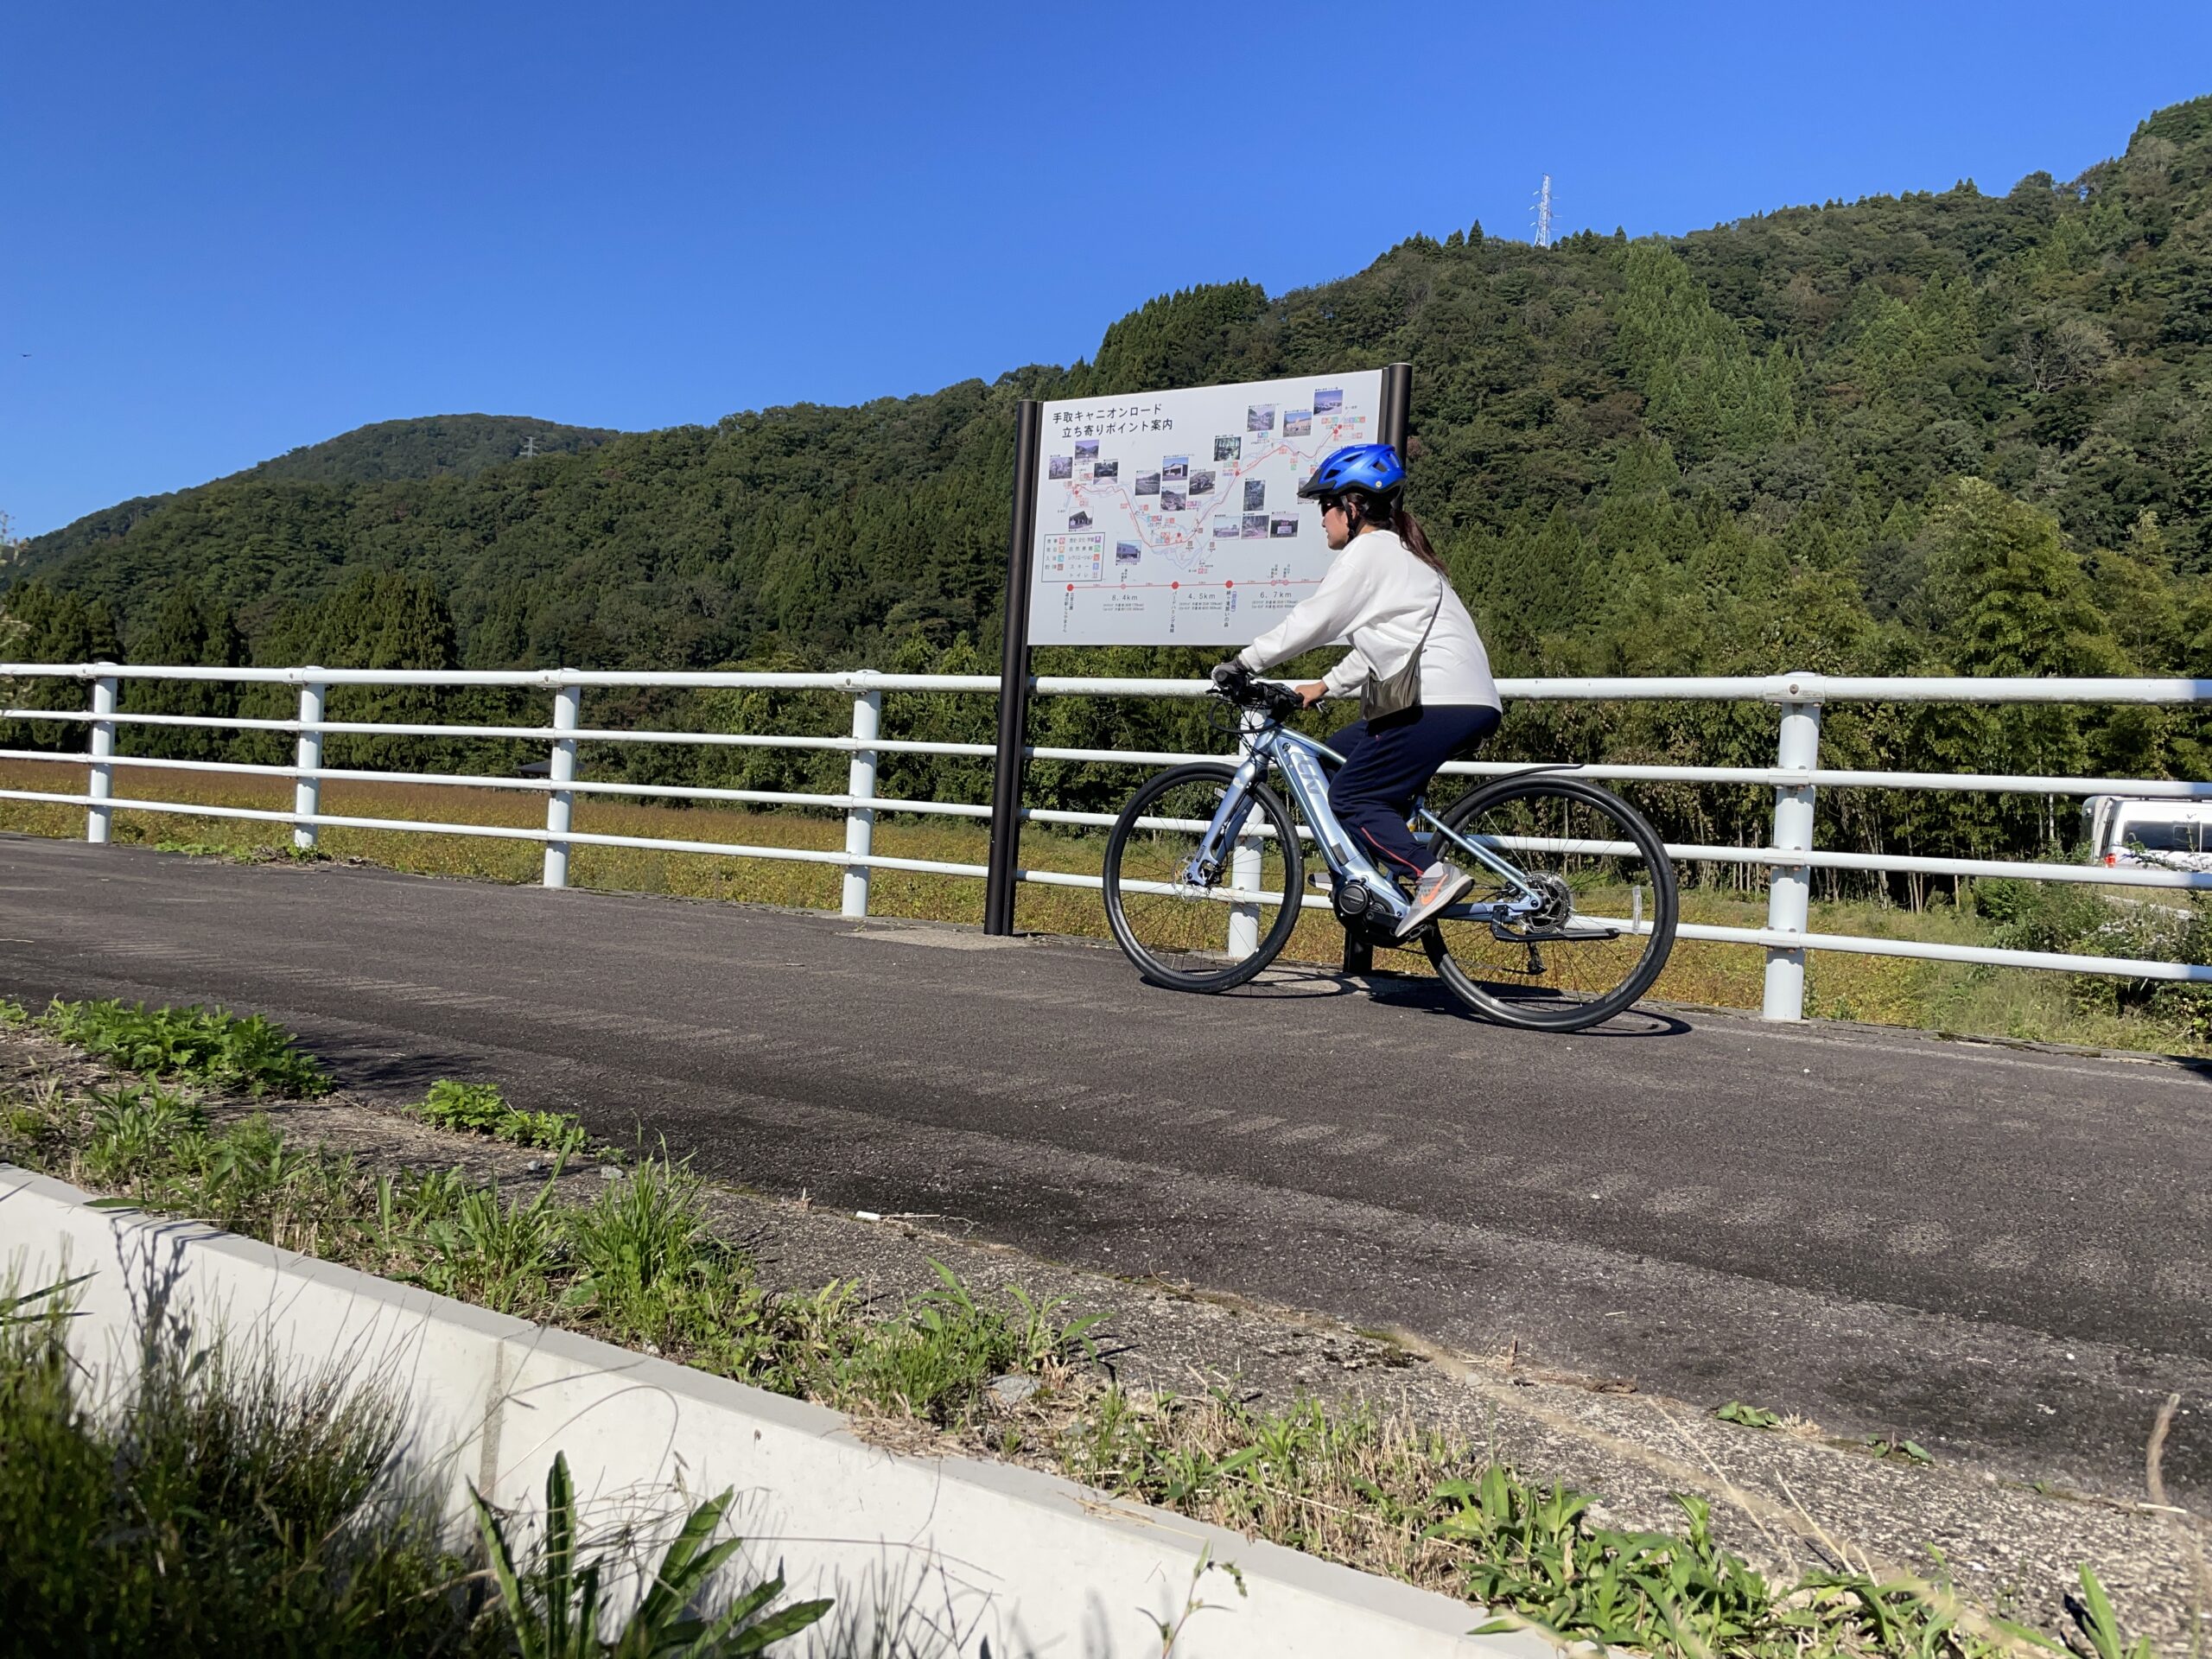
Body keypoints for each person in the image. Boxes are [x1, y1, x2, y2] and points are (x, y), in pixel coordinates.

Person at [1211, 442, 1502, 938]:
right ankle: (1368, 873)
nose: (1321, 517)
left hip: (1437, 699)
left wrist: (1243, 663)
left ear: (1352, 505)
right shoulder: (1399, 555)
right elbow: (1379, 648)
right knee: (1328, 759)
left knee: (1351, 799)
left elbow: (1315, 620)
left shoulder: (1370, 552)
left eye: (1325, 505)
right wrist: (1321, 686)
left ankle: (1429, 874)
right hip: (1453, 699)